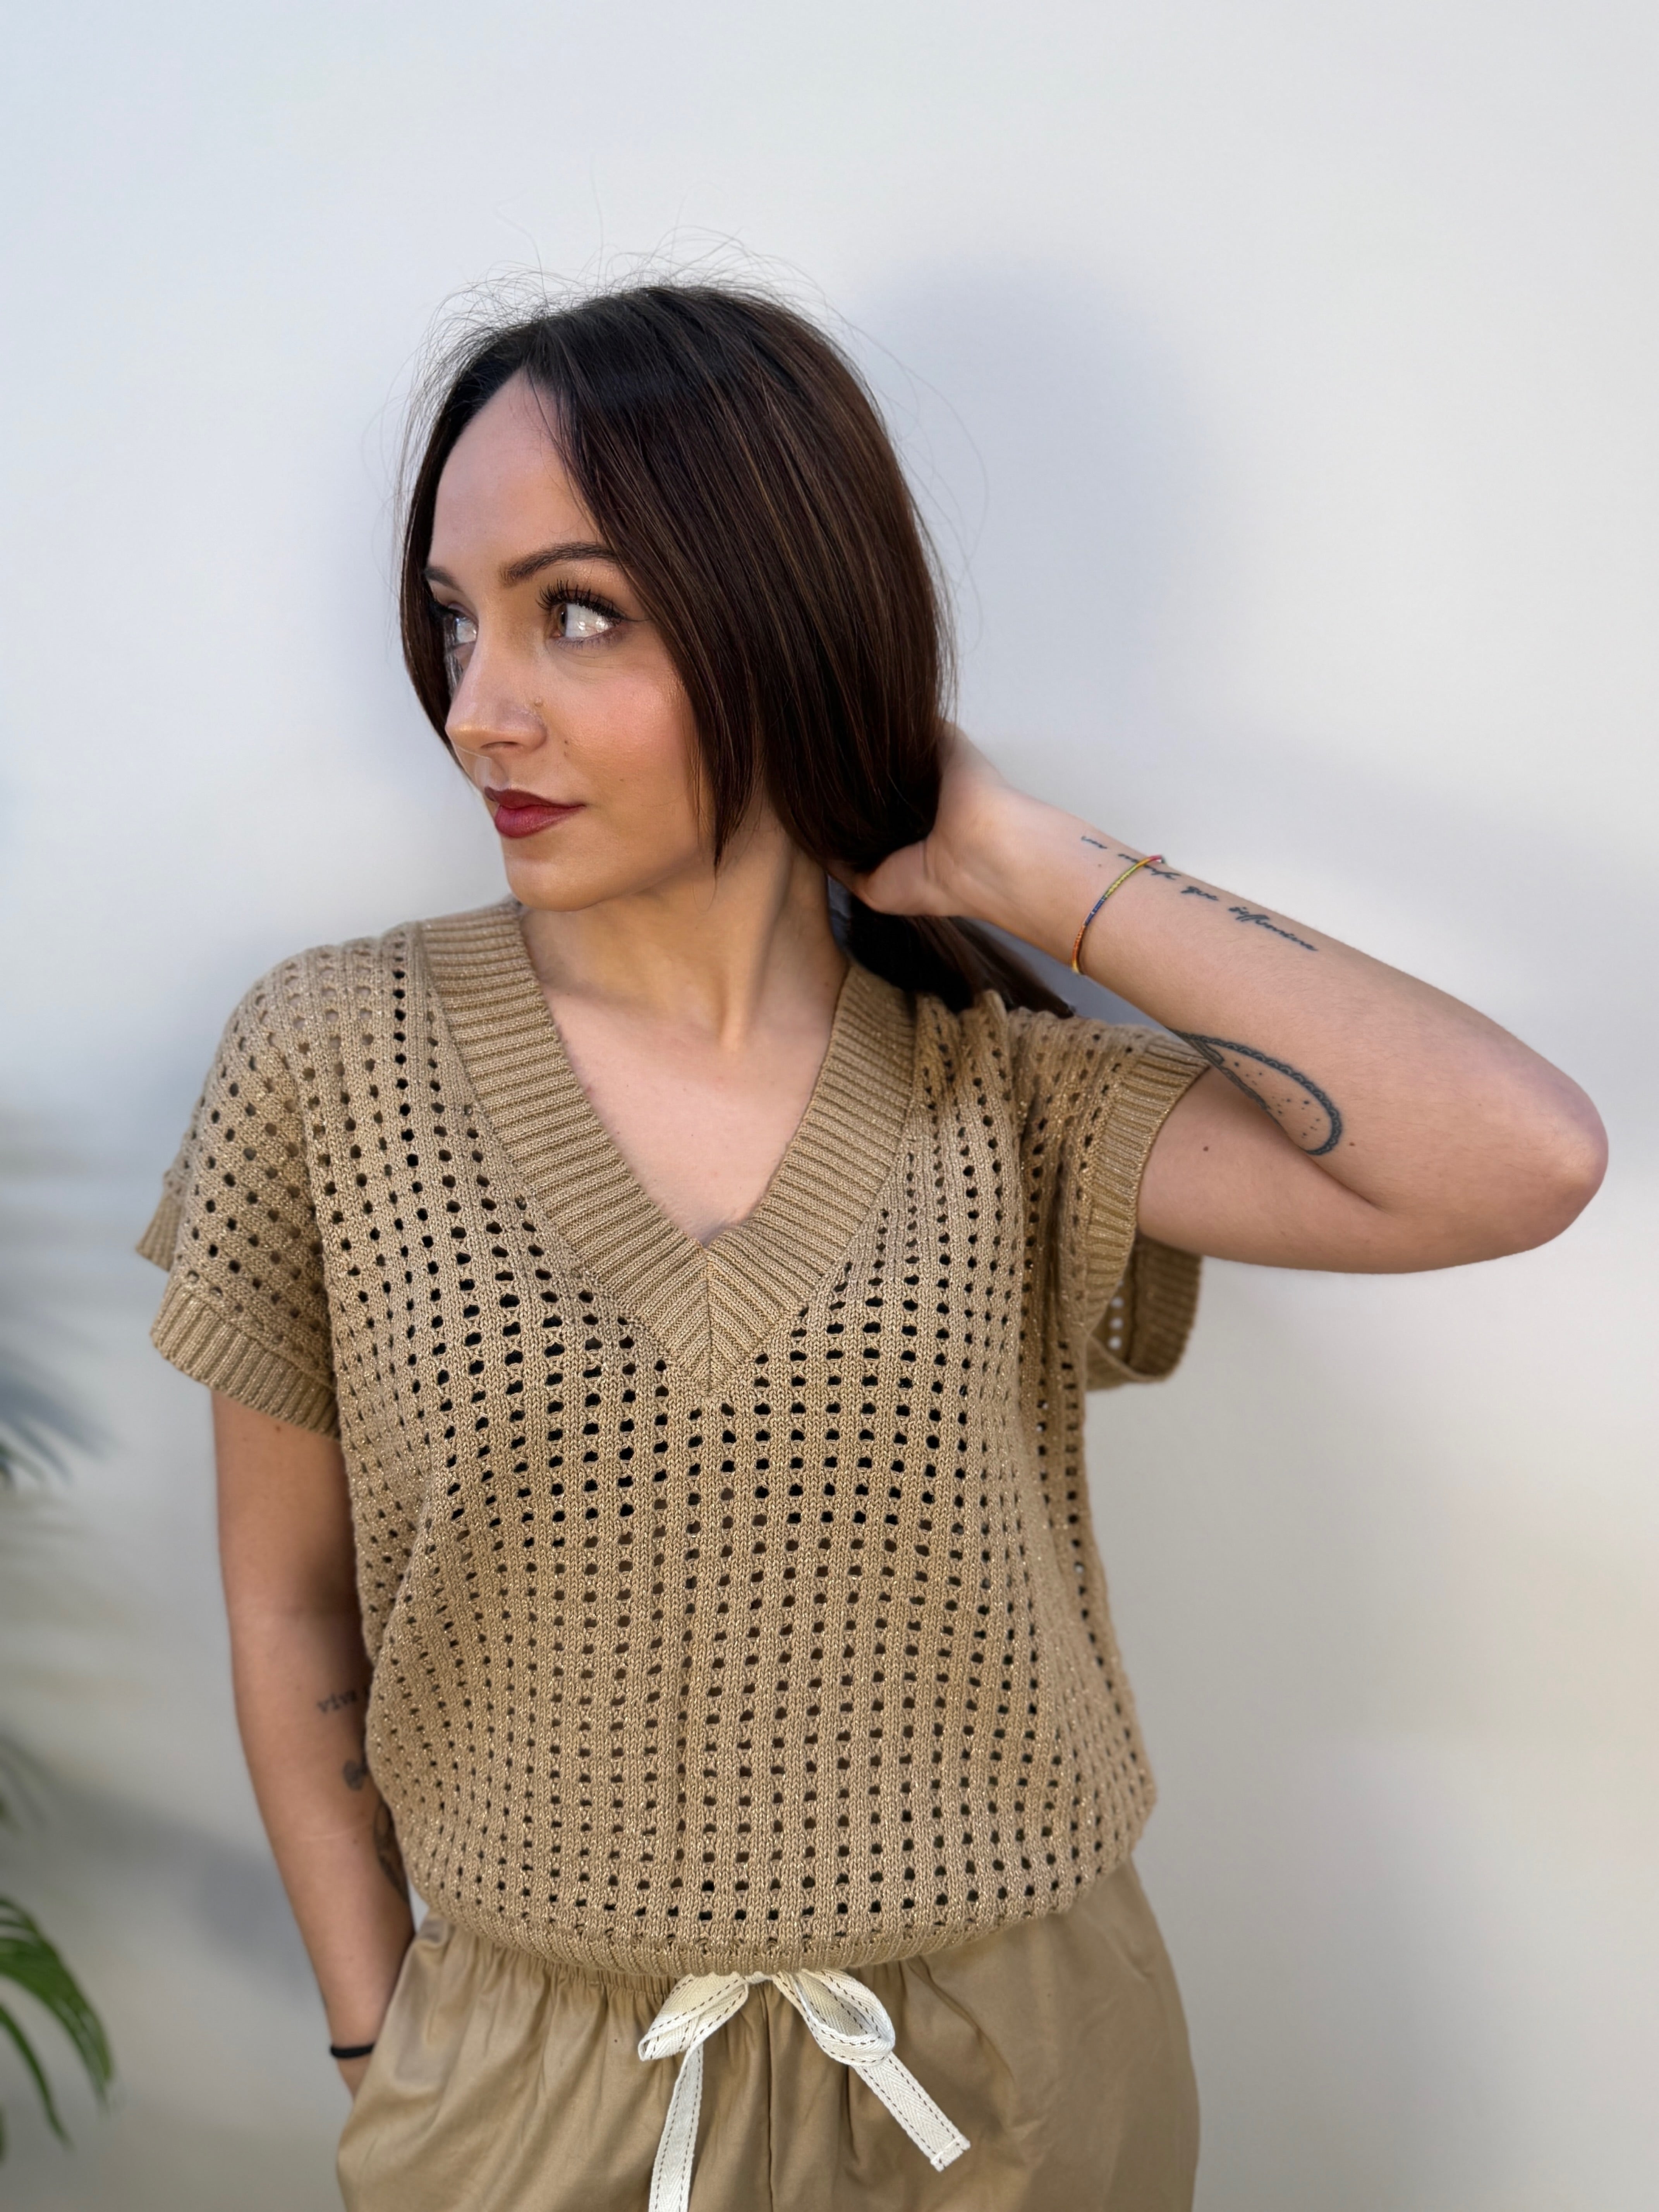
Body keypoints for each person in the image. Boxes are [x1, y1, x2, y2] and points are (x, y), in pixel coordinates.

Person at [139, 283, 1605, 2212]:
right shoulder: (334, 1062)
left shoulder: (1007, 1098)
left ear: (781, 616)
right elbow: (287, 1607)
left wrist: (1021, 863)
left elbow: (1518, 1158)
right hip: (531, 2095)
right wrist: (376, 2046)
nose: (480, 706)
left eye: (578, 612)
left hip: (1017, 2086)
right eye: (454, 618)